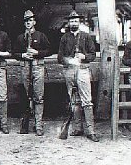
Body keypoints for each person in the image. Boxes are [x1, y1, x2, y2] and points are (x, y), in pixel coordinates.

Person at [58, 11, 99, 142]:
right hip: (70, 70)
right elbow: (60, 57)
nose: (73, 23)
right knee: (73, 101)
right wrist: (69, 60)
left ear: (79, 23)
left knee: (87, 100)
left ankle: (91, 131)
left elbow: (93, 54)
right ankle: (77, 128)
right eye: (71, 21)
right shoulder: (64, 38)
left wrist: (84, 57)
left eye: (76, 21)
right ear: (68, 23)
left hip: (82, 70)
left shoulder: (86, 37)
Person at [13, 10, 50, 136]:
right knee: (26, 96)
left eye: (30, 20)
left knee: (38, 96)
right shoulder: (20, 38)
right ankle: (25, 124)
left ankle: (38, 125)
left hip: (37, 67)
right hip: (25, 68)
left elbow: (49, 50)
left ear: (34, 22)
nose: (28, 23)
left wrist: (37, 53)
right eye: (26, 21)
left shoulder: (41, 36)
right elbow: (14, 53)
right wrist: (23, 55)